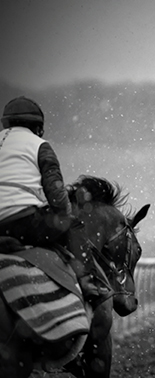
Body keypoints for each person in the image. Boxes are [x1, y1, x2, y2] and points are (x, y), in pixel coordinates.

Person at [0, 96, 109, 304]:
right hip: (22, 221)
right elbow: (57, 196)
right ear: (38, 127)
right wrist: (64, 215)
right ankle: (87, 282)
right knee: (74, 225)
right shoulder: (40, 145)